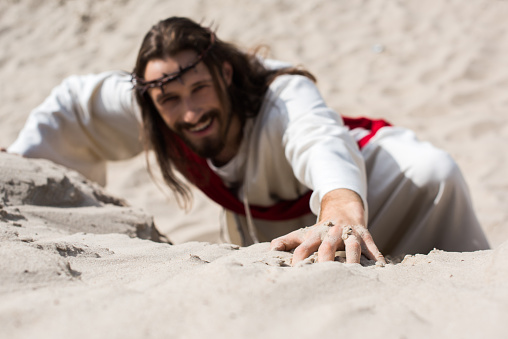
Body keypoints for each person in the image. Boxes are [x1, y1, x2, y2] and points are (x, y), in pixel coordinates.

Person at [7, 17, 490, 265]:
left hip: (376, 188)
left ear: (225, 73)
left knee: (433, 172)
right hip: (267, 220)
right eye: (171, 99)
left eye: (199, 89)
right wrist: (19, 174)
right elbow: (73, 104)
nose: (190, 112)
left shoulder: (282, 94)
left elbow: (319, 139)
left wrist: (340, 207)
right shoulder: (153, 98)